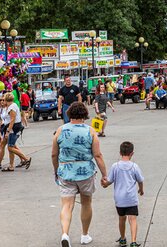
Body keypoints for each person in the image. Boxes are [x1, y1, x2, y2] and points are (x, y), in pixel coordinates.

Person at [52, 102, 108, 247]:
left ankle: (65, 234)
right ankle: (84, 235)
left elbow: (54, 154)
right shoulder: (90, 131)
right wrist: (104, 174)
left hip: (66, 171)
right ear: (84, 114)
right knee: (86, 203)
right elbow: (98, 155)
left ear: (69, 113)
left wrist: (56, 170)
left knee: (66, 205)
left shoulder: (60, 130)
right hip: (85, 172)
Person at [105, 141, 145, 247]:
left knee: (121, 218)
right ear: (132, 153)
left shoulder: (115, 166)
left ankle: (122, 239)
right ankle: (133, 241)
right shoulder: (134, 166)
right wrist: (141, 190)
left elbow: (108, 181)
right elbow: (140, 180)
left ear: (120, 152)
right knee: (133, 219)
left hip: (119, 199)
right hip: (131, 198)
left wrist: (104, 183)